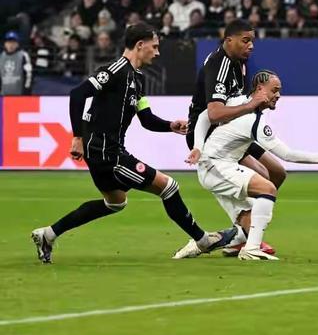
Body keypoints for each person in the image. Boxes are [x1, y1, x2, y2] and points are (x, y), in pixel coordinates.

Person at [31, 23, 221, 264]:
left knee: (115, 202)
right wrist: (77, 137)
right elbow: (77, 94)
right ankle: (202, 240)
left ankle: (47, 234)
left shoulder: (137, 79)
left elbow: (146, 119)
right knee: (168, 187)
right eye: (154, 47)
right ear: (140, 45)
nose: (157, 52)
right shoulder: (115, 70)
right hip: (106, 153)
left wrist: (170, 125)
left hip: (105, 152)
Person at [174, 70, 318, 260]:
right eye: (274, 90)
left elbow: (204, 117)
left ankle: (205, 242)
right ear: (260, 89)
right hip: (215, 166)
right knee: (268, 190)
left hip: (220, 167)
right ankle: (251, 249)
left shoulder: (239, 103)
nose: (278, 95)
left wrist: (199, 146)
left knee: (253, 221)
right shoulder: (253, 119)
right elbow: (287, 154)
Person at [185, 19, 286, 257]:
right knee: (263, 180)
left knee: (277, 173)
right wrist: (251, 105)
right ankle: (248, 234)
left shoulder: (239, 63)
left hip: (232, 130)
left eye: (252, 41)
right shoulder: (219, 64)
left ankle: (243, 230)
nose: (251, 46)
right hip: (212, 136)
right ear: (229, 40)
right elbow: (214, 113)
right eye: (245, 40)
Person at [0, 31, 32, 96]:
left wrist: (26, 91)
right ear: (5, 44)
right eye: (9, 42)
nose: (11, 45)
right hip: (3, 95)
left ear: (17, 44)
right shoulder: (1, 56)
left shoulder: (23, 55)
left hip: (19, 95)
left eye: (13, 42)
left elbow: (29, 74)